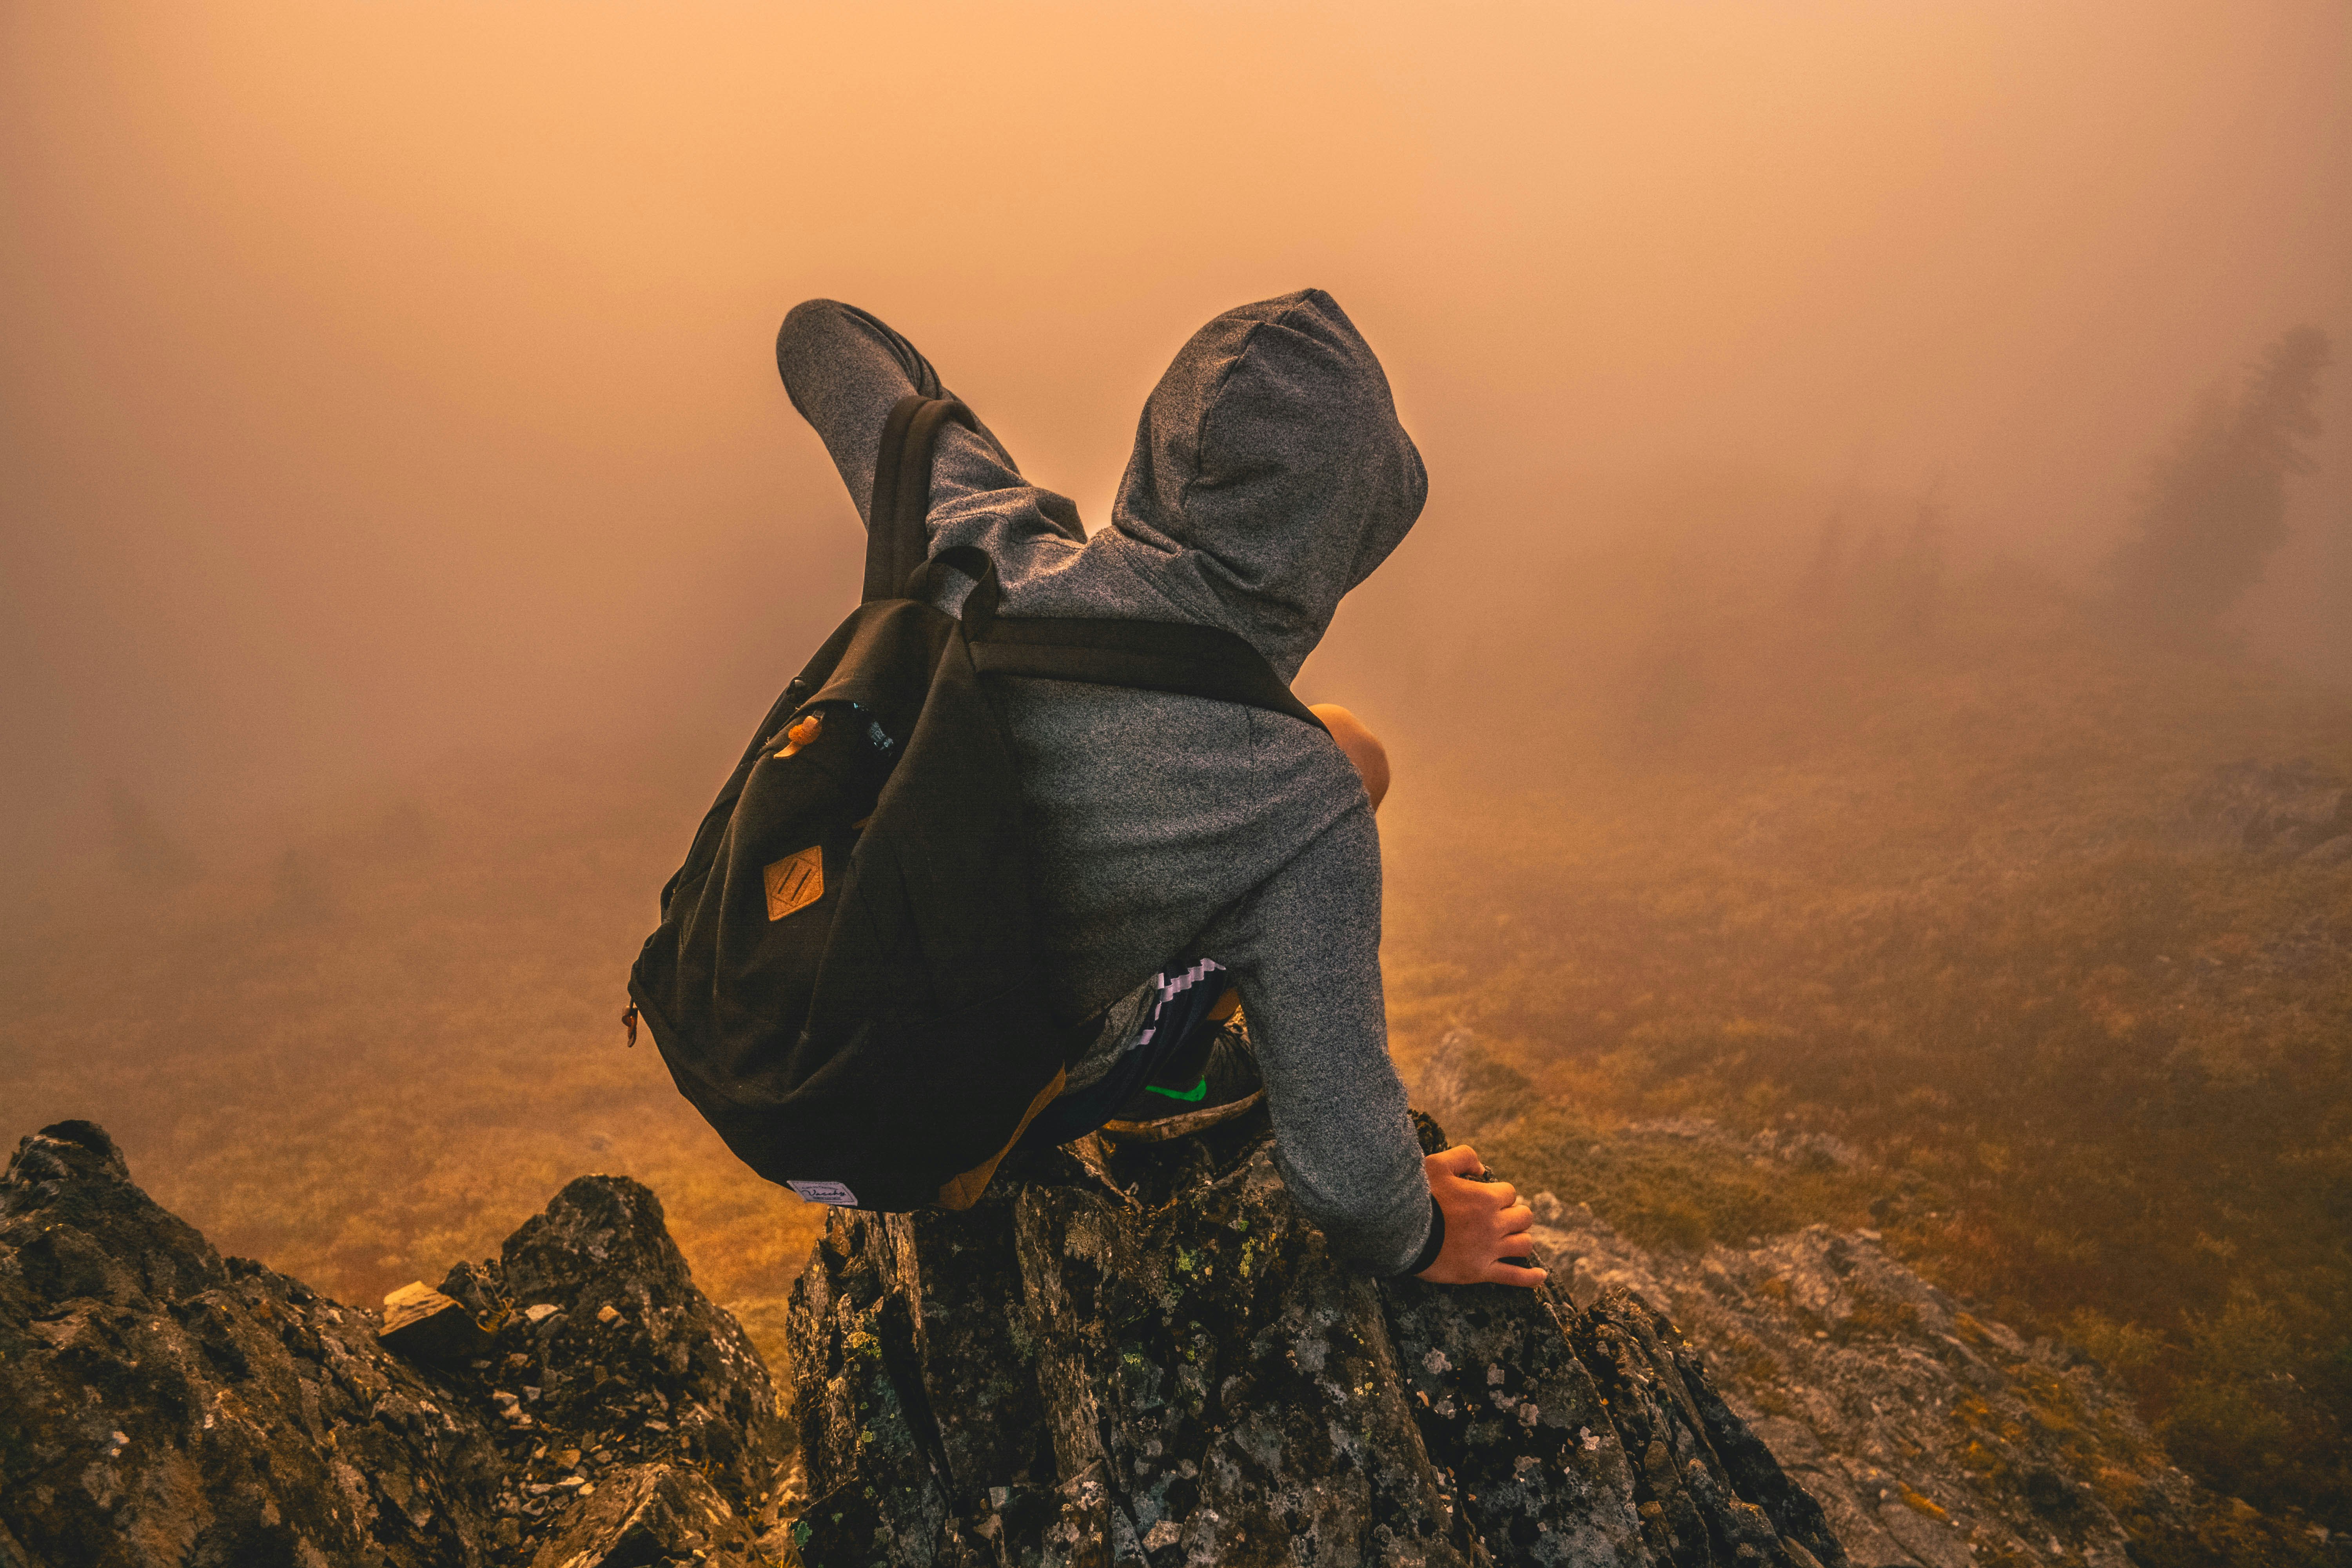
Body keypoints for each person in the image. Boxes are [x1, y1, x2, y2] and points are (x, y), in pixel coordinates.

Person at [775, 290, 1541, 1289]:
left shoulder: (981, 534)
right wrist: (1423, 1231)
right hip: (927, 1138)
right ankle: (1154, 1064)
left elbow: (816, 337)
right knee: (1345, 765)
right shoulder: (1300, 807)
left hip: (782, 1052)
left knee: (1346, 748)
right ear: (1338, 535)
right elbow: (1349, 1182)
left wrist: (956, 452)